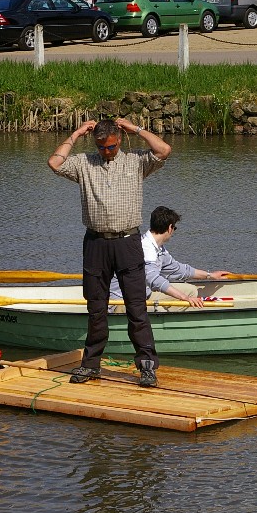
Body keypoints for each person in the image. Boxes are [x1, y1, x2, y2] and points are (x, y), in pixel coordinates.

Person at [48, 117, 171, 388]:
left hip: (128, 244)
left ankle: (147, 366)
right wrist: (78, 132)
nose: (106, 152)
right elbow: (55, 163)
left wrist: (135, 129)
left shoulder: (136, 161)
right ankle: (91, 366)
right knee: (96, 309)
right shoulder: (83, 163)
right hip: (95, 245)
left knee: (136, 308)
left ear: (119, 140)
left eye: (112, 147)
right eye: (102, 147)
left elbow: (164, 150)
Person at [110, 206, 231, 309]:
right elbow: (153, 279)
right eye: (174, 228)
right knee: (172, 304)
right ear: (170, 228)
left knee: (192, 291)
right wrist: (184, 297)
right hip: (122, 301)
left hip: (142, 294)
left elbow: (178, 269)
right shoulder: (146, 248)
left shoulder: (158, 248)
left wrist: (210, 275)